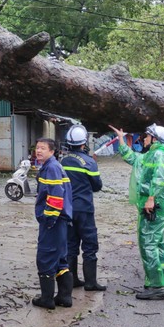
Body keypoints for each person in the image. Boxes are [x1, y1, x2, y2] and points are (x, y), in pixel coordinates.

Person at [109, 123, 164, 301]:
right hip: (154, 207)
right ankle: (163, 281)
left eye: (147, 136)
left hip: (153, 208)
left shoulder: (159, 155)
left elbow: (160, 179)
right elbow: (133, 158)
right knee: (158, 244)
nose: (144, 138)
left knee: (148, 244)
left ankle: (156, 286)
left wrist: (151, 198)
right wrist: (122, 139)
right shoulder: (151, 155)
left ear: (155, 139)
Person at [60, 124, 106, 291]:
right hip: (85, 209)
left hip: (67, 209)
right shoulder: (89, 162)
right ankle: (90, 282)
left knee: (71, 245)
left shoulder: (62, 161)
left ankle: (72, 280)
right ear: (84, 142)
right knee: (89, 245)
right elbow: (97, 186)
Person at [32, 137, 74, 309]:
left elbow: (56, 196)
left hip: (54, 221)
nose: (38, 151)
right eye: (37, 147)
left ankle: (47, 299)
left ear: (52, 151)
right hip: (60, 221)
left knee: (46, 257)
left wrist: (48, 219)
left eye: (42, 148)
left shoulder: (52, 168)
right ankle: (65, 297)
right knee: (60, 259)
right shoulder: (51, 166)